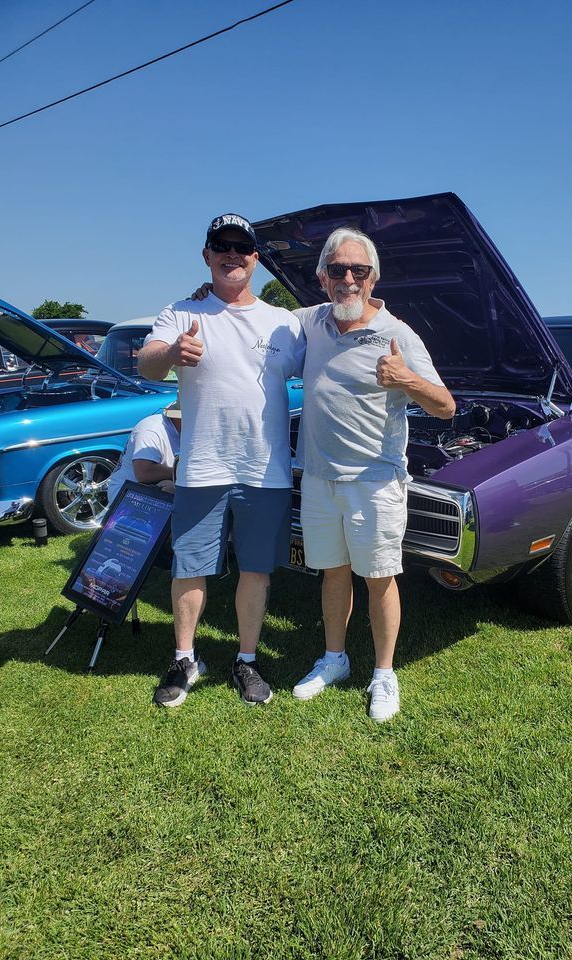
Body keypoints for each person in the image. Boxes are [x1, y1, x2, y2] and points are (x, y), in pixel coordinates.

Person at [137, 214, 305, 709]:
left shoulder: (284, 321)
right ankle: (185, 658)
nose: (233, 254)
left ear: (256, 258)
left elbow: (324, 365)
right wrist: (170, 351)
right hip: (202, 467)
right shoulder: (183, 311)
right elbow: (146, 362)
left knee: (257, 569)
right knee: (189, 568)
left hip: (265, 470)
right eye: (222, 245)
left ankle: (246, 660)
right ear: (207, 255)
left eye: (243, 247)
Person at [292, 228, 455, 721]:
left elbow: (446, 407)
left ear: (373, 277)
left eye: (357, 271)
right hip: (319, 477)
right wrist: (205, 298)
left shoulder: (397, 334)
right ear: (322, 278)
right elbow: (253, 319)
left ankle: (384, 674)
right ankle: (335, 659)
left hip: (375, 481)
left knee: (380, 578)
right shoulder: (311, 322)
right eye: (338, 270)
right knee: (332, 572)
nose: (347, 280)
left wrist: (404, 378)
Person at [106, 399, 181, 504]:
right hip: (128, 493)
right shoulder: (152, 430)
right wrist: (181, 472)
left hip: (149, 487)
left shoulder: (187, 431)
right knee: (169, 487)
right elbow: (143, 473)